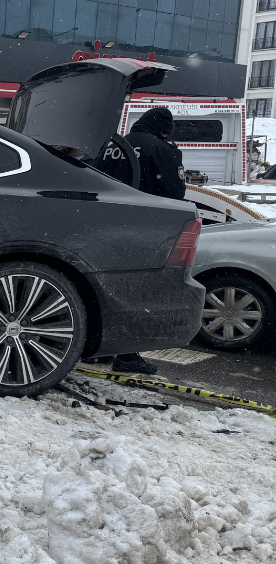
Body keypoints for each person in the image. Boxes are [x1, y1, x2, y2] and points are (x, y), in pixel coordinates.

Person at [97, 107, 187, 375]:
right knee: (132, 291)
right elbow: (175, 192)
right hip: (139, 228)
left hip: (99, 226)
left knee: (101, 287)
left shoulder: (113, 144)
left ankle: (95, 348)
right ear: (164, 129)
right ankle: (126, 355)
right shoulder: (162, 148)